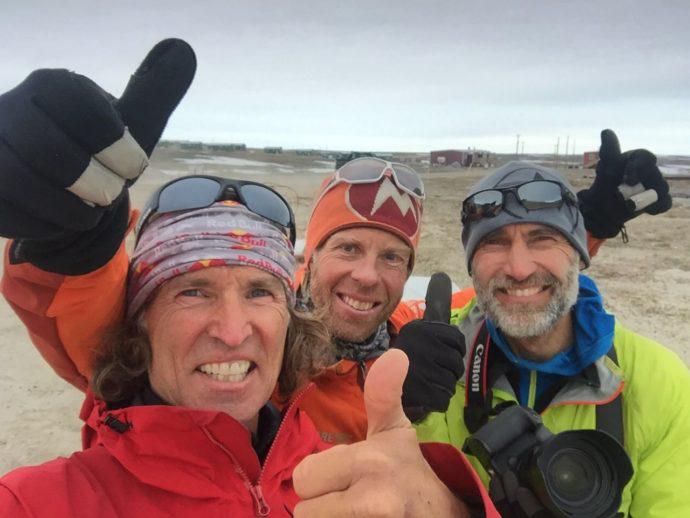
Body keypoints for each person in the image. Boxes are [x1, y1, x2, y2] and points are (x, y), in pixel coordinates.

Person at [0, 40, 498, 517]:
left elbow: (502, 294)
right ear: (311, 258)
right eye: (348, 247)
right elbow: (91, 321)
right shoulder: (268, 364)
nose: (368, 275)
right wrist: (74, 244)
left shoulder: (397, 342)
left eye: (393, 259)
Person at [398, 161, 690, 517]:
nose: (519, 269)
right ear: (472, 268)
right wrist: (405, 409)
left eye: (543, 239)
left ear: (579, 255)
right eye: (494, 242)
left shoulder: (659, 381)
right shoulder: (439, 363)